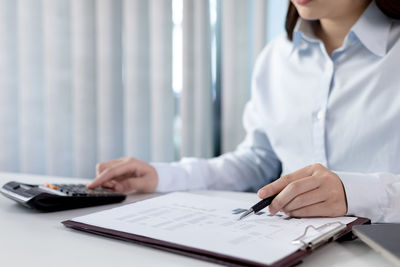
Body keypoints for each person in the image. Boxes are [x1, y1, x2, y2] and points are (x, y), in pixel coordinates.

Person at [88, 0, 400, 223]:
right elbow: (259, 161)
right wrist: (164, 175)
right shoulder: (276, 58)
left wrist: (355, 193)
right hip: (294, 247)